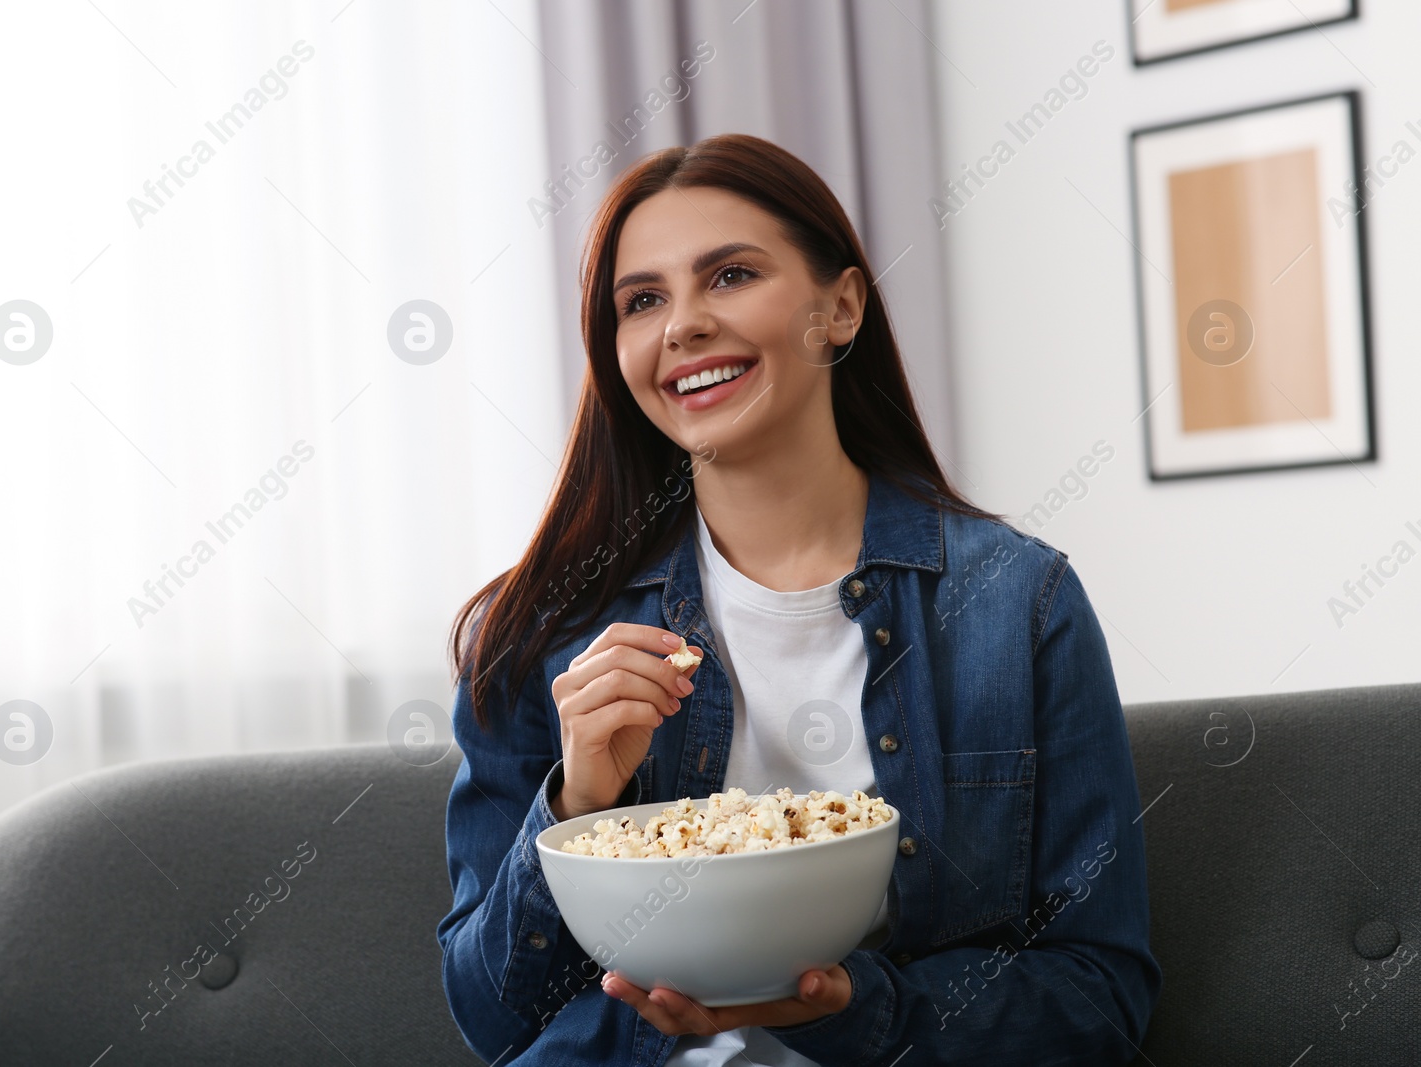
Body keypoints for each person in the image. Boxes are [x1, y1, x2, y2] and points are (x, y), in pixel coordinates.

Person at [436, 132, 1161, 1066]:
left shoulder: (1017, 602)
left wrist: (858, 1006)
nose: (682, 325)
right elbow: (493, 1023)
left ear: (841, 307)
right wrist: (577, 801)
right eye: (642, 300)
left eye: (730, 276)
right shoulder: (538, 631)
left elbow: (1099, 998)